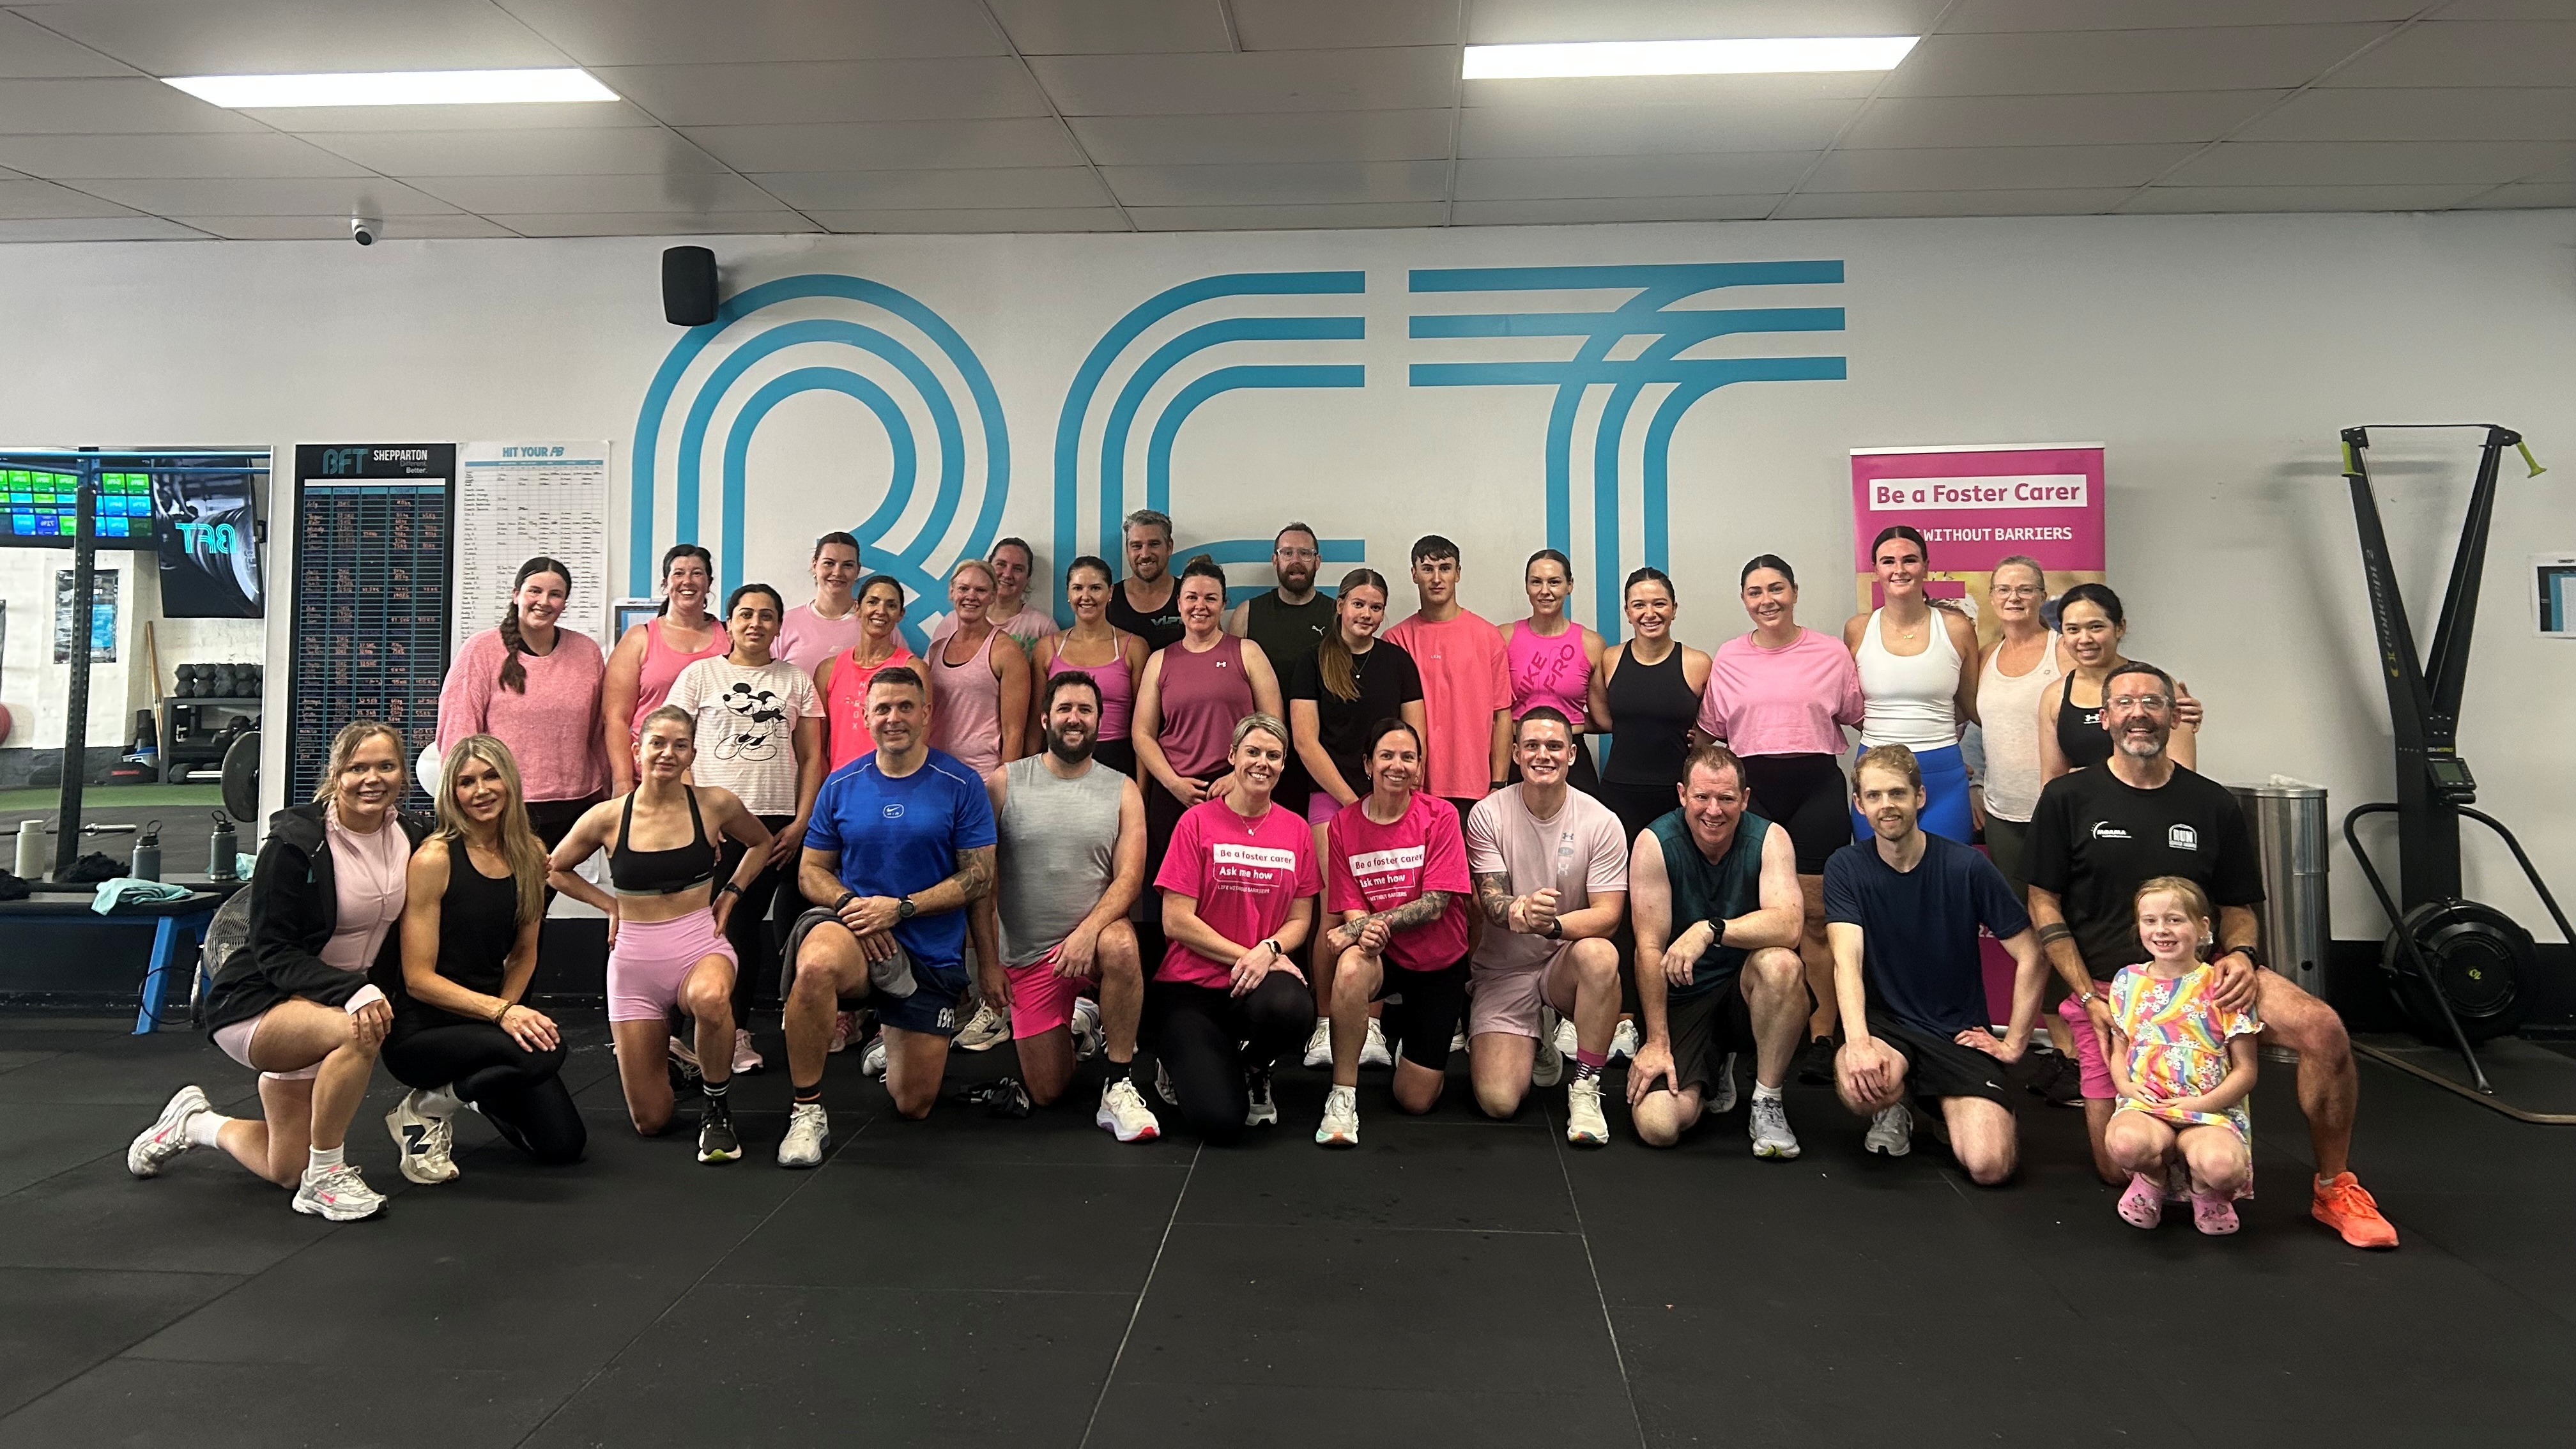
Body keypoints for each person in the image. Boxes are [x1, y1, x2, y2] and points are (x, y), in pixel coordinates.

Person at [2026, 660, 2396, 1248]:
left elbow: (2238, 905)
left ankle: (2334, 1186)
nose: (2139, 714)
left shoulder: (2211, 803)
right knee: (2116, 1165)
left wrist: (2243, 955)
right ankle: (2185, 1154)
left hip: (2206, 978)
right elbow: (2043, 902)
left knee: (2322, 1027)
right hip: (2114, 989)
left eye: (2153, 702)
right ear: (2105, 718)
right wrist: (2086, 994)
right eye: (2125, 703)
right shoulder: (2067, 798)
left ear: (2174, 716)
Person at [128, 721, 424, 1221]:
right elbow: (273, 949)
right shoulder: (294, 844)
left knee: (284, 1167)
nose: (372, 779)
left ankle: (194, 1124)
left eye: (386, 766)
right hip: (261, 1001)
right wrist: (355, 991)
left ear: (403, 774)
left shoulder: (410, 836)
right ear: (336, 775)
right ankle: (325, 1177)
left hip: (325, 1007)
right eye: (358, 768)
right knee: (360, 1030)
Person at [776, 666, 997, 1160]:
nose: (893, 718)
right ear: (865, 716)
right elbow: (811, 871)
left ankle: (890, 1038)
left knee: (913, 1104)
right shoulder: (841, 784)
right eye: (882, 708)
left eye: (904, 707)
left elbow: (980, 877)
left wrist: (901, 909)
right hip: (857, 935)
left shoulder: (961, 783)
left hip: (928, 952)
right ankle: (806, 1111)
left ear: (926, 714)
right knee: (816, 964)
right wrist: (850, 906)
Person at [546, 707, 774, 1163]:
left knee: (711, 999)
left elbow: (762, 841)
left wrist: (731, 893)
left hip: (700, 946)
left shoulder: (714, 804)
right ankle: (682, 1064)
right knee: (651, 1121)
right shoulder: (607, 817)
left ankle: (716, 1107)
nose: (668, 753)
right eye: (657, 743)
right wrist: (609, 905)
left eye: (679, 745)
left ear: (692, 755)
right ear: (638, 751)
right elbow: (555, 869)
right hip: (635, 964)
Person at [1826, 746, 2050, 1183]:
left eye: (1897, 793)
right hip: (1888, 1029)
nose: (1886, 805)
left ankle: (1946, 1105)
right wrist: (1858, 1043)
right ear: (1860, 805)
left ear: (1920, 796)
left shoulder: (1967, 866)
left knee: (1989, 1166)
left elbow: (2032, 954)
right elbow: (1846, 962)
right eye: (1874, 796)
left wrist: (2014, 1044)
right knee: (1859, 1089)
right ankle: (1898, 1102)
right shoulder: (1845, 867)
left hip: (1958, 1033)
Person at [379, 734, 585, 1182]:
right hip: (424, 1031)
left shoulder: (530, 853)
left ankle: (475, 1089)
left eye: (491, 777)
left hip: (488, 1022)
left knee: (563, 1145)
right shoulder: (434, 859)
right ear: (451, 792)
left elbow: (524, 954)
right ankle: (424, 1108)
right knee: (543, 1053)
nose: (481, 790)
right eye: (466, 782)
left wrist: (505, 1014)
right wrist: (502, 1015)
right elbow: (417, 979)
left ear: (509, 781)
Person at [1697, 555, 1866, 1084]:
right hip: (1755, 793)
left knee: (1815, 918)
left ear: (1794, 591)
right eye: (1755, 592)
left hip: (1816, 788)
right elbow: (1710, 733)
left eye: (1776, 589)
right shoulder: (1729, 657)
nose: (1766, 600)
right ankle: (1756, 1031)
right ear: (1743, 600)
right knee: (1759, 916)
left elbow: (1863, 718)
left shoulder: (1832, 652)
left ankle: (1821, 1036)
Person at [973, 671, 1161, 1140]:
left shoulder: (1122, 789)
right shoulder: (1005, 783)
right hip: (1031, 957)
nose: (1074, 719)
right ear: (1045, 719)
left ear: (1100, 721)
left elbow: (1130, 879)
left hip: (1094, 944)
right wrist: (989, 964)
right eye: (1065, 709)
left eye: (1085, 710)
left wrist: (1086, 933)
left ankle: (1118, 1082)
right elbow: (982, 885)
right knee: (1047, 1091)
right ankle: (1082, 1021)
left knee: (1122, 945)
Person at [666, 583, 824, 1076]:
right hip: (711, 823)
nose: (756, 623)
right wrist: (697, 815)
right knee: (692, 925)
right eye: (746, 614)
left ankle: (734, 1032)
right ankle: (670, 1034)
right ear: (729, 623)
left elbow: (812, 757)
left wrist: (801, 821)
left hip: (773, 824)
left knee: (742, 926)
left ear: (779, 626)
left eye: (767, 616)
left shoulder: (796, 680)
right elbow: (676, 747)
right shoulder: (699, 676)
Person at [1625, 743, 1807, 1158]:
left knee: (1781, 964)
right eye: (1702, 797)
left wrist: (1711, 930)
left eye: (1726, 798)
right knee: (1659, 1126)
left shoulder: (1770, 838)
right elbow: (1648, 948)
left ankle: (1767, 1100)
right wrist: (1657, 1042)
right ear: (1682, 795)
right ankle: (1711, 1070)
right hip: (1684, 996)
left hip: (1746, 991)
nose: (1714, 810)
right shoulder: (1655, 842)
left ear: (1744, 798)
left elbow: (1790, 925)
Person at [1151, 714, 1320, 1144]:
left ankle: (1254, 1067)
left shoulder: (1297, 830)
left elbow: (1301, 919)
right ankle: (1177, 1060)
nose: (1263, 763)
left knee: (1294, 1008)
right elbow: (1175, 920)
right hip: (1191, 986)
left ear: (1283, 765)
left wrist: (1270, 950)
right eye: (1253, 752)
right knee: (1220, 1122)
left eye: (1274, 755)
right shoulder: (1196, 823)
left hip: (1256, 984)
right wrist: (1252, 956)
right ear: (1232, 756)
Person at [1464, 709, 1630, 1145]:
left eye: (1555, 746)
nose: (1543, 755)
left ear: (1572, 754)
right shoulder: (1487, 814)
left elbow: (1609, 915)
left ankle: (1586, 1085)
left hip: (1564, 963)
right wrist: (1519, 911)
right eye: (1532, 746)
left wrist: (1551, 925)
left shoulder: (1602, 821)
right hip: (1504, 969)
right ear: (1515, 753)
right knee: (1499, 1101)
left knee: (1601, 954)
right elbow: (1490, 900)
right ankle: (1536, 1033)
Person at [1287, 567, 1425, 1068]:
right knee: (1334, 911)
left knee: (1383, 909)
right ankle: (1326, 1022)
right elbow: (1305, 742)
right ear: (1340, 606)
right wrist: (1352, 805)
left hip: (1391, 802)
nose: (1367, 614)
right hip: (1333, 801)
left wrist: (1397, 800)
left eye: (1376, 607)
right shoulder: (1312, 661)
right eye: (1359, 604)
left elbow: (1415, 739)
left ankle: (1371, 1025)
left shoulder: (1398, 662)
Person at [1314, 719, 1473, 1147]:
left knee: (1415, 1100)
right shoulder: (1343, 825)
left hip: (1440, 962)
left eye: (1408, 757)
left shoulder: (1441, 816)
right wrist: (1363, 933)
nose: (1397, 765)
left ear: (1419, 768)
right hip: (1383, 955)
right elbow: (1351, 903)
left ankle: (1415, 1047)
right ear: (1368, 764)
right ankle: (1343, 1094)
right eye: (1386, 756)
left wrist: (1363, 926)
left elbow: (1435, 904)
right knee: (1350, 967)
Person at [1132, 555, 1285, 918]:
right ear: (1179, 603)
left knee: (1231, 895)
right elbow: (1142, 734)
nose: (1200, 606)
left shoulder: (1246, 652)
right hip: (1175, 792)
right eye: (1192, 597)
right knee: (1170, 898)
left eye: (1210, 598)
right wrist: (1173, 783)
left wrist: (1236, 777)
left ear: (1224, 603)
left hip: (1234, 789)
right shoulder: (1159, 660)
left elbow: (1274, 726)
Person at [2106, 877, 2260, 1235]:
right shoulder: (2126, 981)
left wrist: (2202, 1104)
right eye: (2150, 920)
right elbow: (2119, 1049)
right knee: (2125, 1144)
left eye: (2174, 919)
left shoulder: (2222, 985)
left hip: (2210, 1111)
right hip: (2147, 1107)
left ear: (2203, 927)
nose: (2161, 930)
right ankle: (2153, 1177)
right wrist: (2125, 1087)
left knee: (2223, 1166)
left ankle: (2205, 1187)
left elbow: (2246, 1070)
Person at [437, 555, 609, 852]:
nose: (544, 601)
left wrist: (607, 795)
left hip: (575, 805)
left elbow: (599, 731)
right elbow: (459, 730)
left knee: (550, 882)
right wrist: (463, 796)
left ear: (564, 603)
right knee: (508, 883)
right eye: (535, 591)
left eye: (555, 594)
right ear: (516, 595)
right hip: (503, 803)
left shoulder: (587, 652)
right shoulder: (481, 650)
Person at [1843, 525, 1979, 845]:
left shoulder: (1957, 627)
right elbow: (1850, 705)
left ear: (1926, 567)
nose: (1899, 569)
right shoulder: (1858, 629)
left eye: (1910, 560)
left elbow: (1971, 706)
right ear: (1875, 570)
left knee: (1947, 869)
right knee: (1877, 870)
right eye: (1888, 561)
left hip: (1942, 773)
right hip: (1877, 774)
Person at [1384, 535, 1511, 822]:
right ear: (1414, 574)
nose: (1436, 578)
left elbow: (1502, 715)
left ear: (1458, 573)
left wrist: (1498, 783)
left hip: (1475, 788)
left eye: (1445, 568)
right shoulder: (1395, 640)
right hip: (1412, 784)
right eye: (1427, 569)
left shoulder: (1488, 637)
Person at [1590, 567, 1713, 846]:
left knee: (1677, 869)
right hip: (1619, 791)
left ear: (1674, 609)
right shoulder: (1610, 659)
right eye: (1639, 605)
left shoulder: (1699, 663)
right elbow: (1604, 719)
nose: (1650, 613)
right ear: (1627, 612)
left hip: (1678, 793)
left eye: (1659, 604)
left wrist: (1699, 737)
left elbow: (1713, 723)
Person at [2039, 583, 2201, 782]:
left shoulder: (2158, 685)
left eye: (2096, 627)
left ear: (2120, 628)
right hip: (2082, 803)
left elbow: (2184, 776)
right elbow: (2052, 782)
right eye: (2073, 629)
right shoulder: (2054, 695)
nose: (2085, 639)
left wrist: (2087, 779)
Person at [604, 543, 730, 794]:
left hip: (715, 777)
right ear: (665, 584)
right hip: (651, 778)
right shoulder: (640, 638)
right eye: (678, 573)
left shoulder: (730, 637)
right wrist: (623, 782)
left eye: (697, 573)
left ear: (709, 583)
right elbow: (616, 718)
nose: (688, 581)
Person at [1228, 521, 1335, 816]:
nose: (1296, 561)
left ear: (1318, 561)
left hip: (1324, 756)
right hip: (1264, 758)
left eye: (1305, 553)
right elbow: (1232, 688)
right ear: (1275, 560)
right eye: (1287, 553)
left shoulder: (1337, 615)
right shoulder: (1248, 614)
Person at [1031, 555, 1149, 779]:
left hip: (1117, 761)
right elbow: (1036, 725)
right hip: (1058, 761)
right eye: (1078, 588)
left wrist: (1142, 789)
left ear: (1110, 592)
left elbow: (1144, 728)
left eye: (1095, 588)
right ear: (1068, 593)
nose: (1086, 597)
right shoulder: (1046, 648)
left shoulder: (1134, 648)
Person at [1502, 549, 1605, 795]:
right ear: (1527, 586)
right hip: (1519, 754)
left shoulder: (1592, 644)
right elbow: (1491, 712)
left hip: (1572, 755)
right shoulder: (1503, 638)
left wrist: (1568, 721)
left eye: (1554, 582)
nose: (1545, 591)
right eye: (1536, 582)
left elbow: (1602, 719)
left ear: (1570, 586)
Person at [926, 556, 1031, 776]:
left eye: (981, 590)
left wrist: (1005, 783)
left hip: (981, 775)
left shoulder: (1007, 652)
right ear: (952, 592)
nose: (971, 596)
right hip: (934, 772)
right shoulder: (936, 650)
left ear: (992, 596)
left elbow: (1014, 733)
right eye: (964, 588)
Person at [816, 574, 928, 774]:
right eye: (873, 602)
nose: (881, 611)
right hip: (841, 785)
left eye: (891, 605)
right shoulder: (828, 670)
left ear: (900, 614)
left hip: (893, 783)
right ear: (858, 608)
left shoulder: (914, 669)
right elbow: (817, 749)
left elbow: (920, 740)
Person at [935, 536, 1057, 650]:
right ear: (988, 568)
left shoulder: (1042, 627)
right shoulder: (952, 622)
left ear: (1027, 579)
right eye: (1001, 564)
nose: (1007, 574)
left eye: (1018, 569)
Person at [774, 532, 864, 680]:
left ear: (858, 570)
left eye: (848, 565)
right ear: (815, 565)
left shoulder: (875, 623)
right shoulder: (785, 624)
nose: (837, 572)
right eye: (829, 563)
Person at [1105, 507, 1184, 652]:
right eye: (1137, 546)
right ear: (1127, 550)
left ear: (1169, 547)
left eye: (1154, 544)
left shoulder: (1191, 596)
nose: (1145, 554)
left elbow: (1212, 648)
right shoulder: (1108, 599)